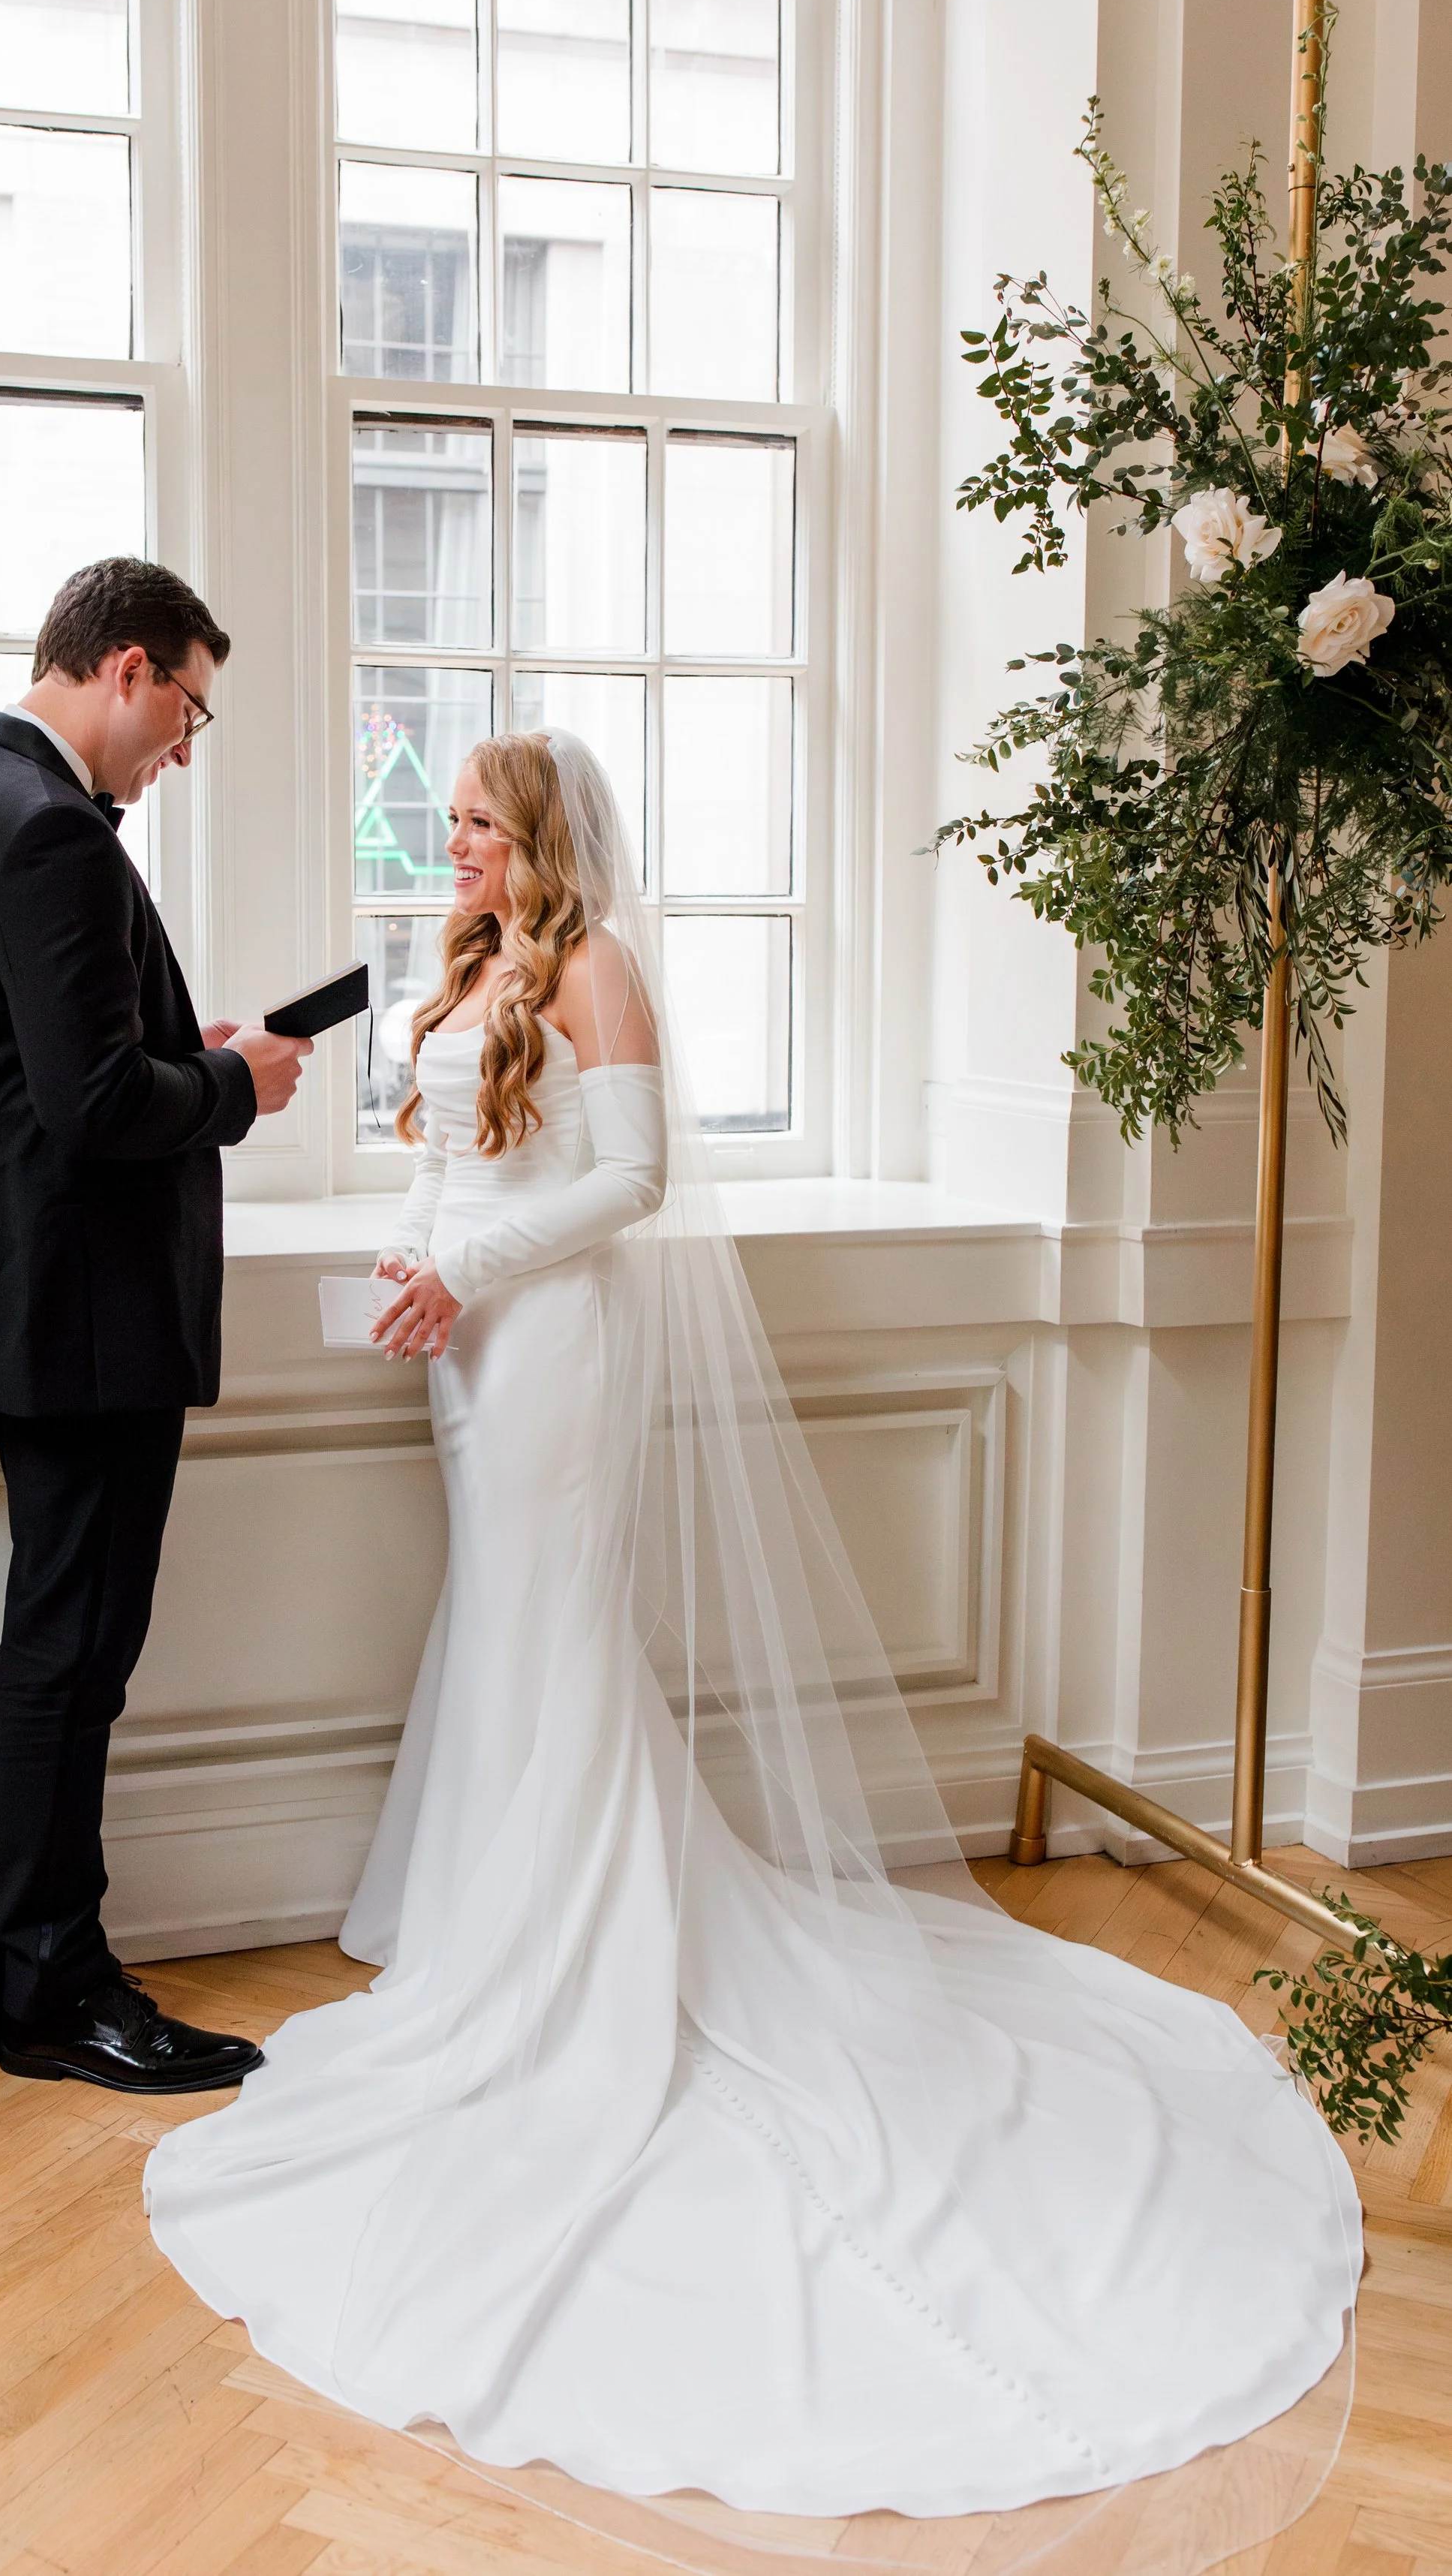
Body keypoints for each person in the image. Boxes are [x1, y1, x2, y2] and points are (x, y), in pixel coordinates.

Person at [143, 730, 1360, 2552]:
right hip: (455, 1351)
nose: (449, 839)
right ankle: (500, 1923)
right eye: (452, 822)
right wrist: (415, 1264)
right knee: (504, 1630)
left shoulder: (598, 968)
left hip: (549, 1348)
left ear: (540, 835)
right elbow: (443, 1162)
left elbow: (621, 1187)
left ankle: (573, 1963)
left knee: (552, 1631)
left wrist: (468, 1274)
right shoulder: (470, 964)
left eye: (476, 821)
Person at [0, 558, 308, 2098]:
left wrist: (158, 1049)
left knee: (48, 1645)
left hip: (12, 1306)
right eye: (188, 707)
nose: (183, 746)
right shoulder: (48, 830)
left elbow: (30, 1072)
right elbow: (96, 1107)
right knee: (74, 1654)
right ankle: (57, 1985)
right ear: (124, 668)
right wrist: (238, 1083)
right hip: (79, 1320)